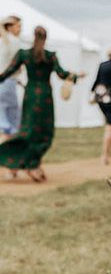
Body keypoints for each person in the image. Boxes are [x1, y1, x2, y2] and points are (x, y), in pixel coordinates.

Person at [0, 26, 82, 182]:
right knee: (43, 133)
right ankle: (33, 165)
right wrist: (75, 76)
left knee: (27, 131)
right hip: (45, 97)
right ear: (46, 38)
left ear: (33, 36)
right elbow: (62, 74)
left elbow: (7, 72)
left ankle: (26, 164)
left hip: (30, 95)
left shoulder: (24, 54)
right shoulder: (50, 56)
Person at [0, 15, 23, 143]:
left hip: (5, 82)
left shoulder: (4, 41)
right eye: (18, 26)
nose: (20, 29)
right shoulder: (13, 41)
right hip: (7, 82)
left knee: (5, 115)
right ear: (10, 27)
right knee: (11, 119)